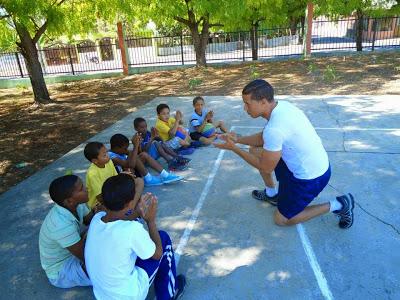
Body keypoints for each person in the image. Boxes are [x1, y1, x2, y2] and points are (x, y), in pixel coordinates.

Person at [214, 79, 355, 229]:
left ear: (262, 102)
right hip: (313, 164)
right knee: (255, 150)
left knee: (281, 220)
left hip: (311, 178)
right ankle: (271, 194)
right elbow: (264, 137)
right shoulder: (283, 107)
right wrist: (238, 140)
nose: (245, 108)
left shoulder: (275, 128)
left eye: (247, 103)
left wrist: (234, 148)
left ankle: (340, 205)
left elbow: (265, 167)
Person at [85, 173, 186, 300]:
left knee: (137, 247)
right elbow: (157, 254)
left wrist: (138, 212)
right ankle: (169, 294)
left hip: (102, 294)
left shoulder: (97, 218)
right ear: (130, 202)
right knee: (163, 238)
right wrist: (150, 221)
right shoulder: (132, 230)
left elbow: (121, 219)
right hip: (129, 295)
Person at [39, 175, 94, 288]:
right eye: (81, 189)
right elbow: (86, 257)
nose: (86, 189)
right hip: (61, 270)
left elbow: (92, 221)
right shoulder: (60, 225)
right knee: (106, 269)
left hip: (74, 250)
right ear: (69, 201)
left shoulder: (78, 205)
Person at [108, 134, 183, 185]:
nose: (126, 150)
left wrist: (138, 145)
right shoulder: (111, 155)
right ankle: (148, 179)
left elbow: (138, 153)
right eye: (125, 148)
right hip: (125, 177)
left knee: (143, 155)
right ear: (117, 148)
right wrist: (135, 146)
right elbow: (129, 164)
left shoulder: (121, 151)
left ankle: (165, 175)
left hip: (133, 171)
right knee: (134, 157)